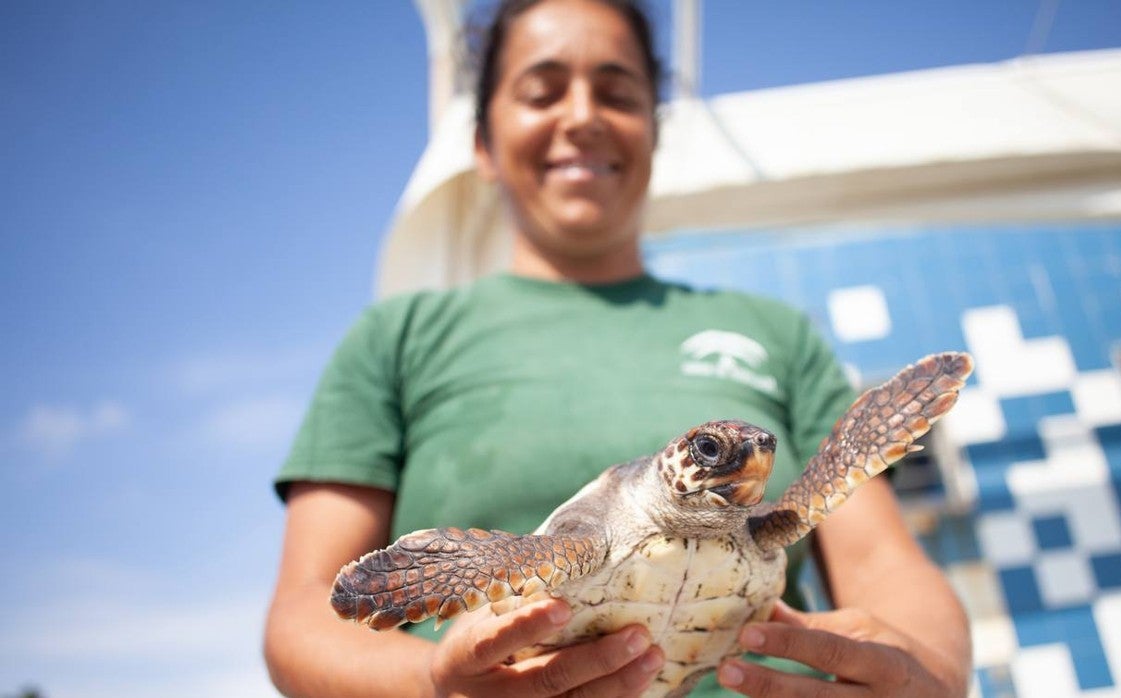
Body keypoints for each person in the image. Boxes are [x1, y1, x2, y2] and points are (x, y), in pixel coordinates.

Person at [263, 0, 972, 696]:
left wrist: (931, 673)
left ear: (654, 132)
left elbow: (882, 560)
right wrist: (429, 681)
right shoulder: (400, 336)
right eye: (542, 93)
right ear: (481, 141)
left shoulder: (774, 331)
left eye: (617, 93)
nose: (582, 116)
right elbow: (304, 614)